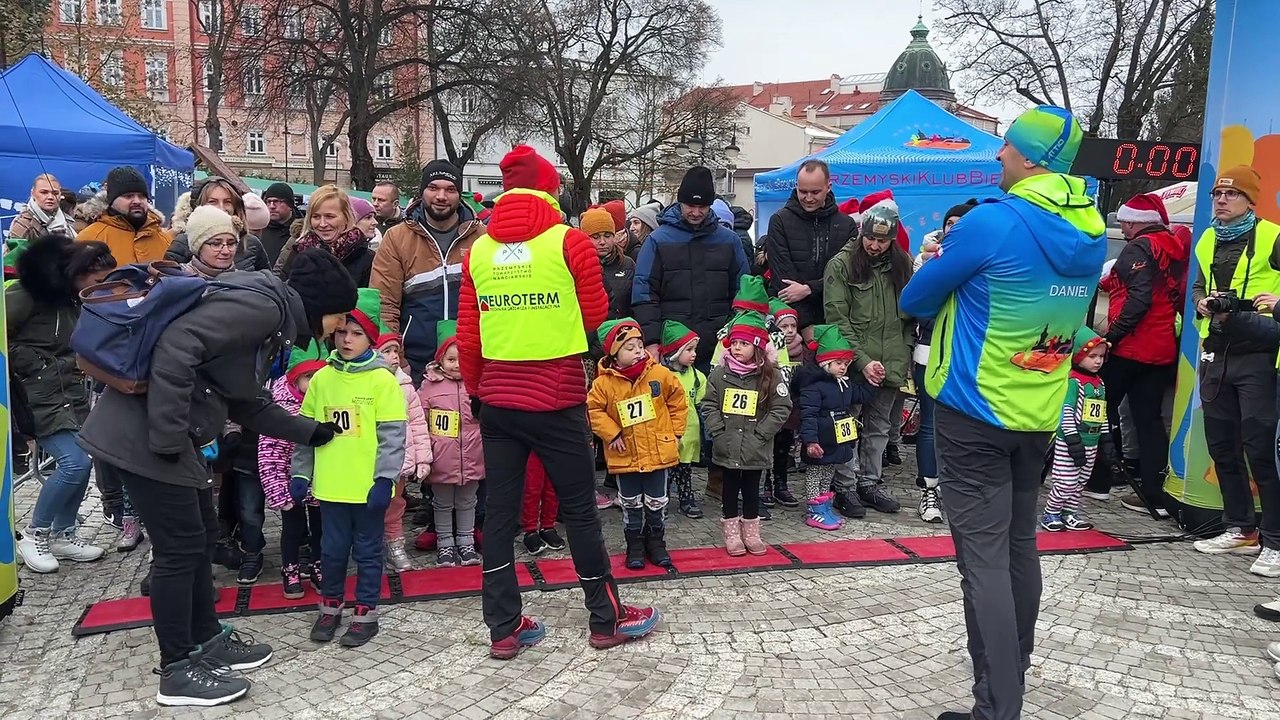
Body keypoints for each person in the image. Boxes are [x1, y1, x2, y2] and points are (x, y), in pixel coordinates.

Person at [79, 248, 359, 707]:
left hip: (167, 438)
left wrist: (309, 432)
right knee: (178, 551)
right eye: (340, 315)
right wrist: (170, 440)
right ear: (321, 304)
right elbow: (177, 347)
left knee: (201, 538)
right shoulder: (263, 308)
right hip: (147, 439)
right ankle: (177, 669)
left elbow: (244, 400)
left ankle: (206, 639)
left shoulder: (267, 314)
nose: (340, 327)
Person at [900, 105, 1105, 720]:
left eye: (1007, 146)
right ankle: (1007, 684)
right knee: (1019, 550)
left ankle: (998, 708)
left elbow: (915, 298)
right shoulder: (1092, 226)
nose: (998, 155)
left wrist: (943, 264)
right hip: (1038, 411)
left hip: (974, 409)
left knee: (983, 563)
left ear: (1031, 158)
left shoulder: (993, 221)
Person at [458, 144, 658, 659]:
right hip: (557, 395)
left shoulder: (478, 250)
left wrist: (478, 390)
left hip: (499, 399)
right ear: (550, 189)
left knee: (500, 517)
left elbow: (469, 335)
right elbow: (595, 314)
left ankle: (503, 627)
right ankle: (605, 619)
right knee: (581, 512)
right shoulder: (568, 241)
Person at [291, 301, 407, 648]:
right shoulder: (323, 378)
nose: (346, 339)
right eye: (341, 332)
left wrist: (385, 479)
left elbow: (393, 436)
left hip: (368, 487)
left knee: (368, 552)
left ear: (370, 338)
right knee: (331, 551)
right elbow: (306, 431)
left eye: (356, 333)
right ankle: (330, 607)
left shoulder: (382, 380)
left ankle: (366, 612)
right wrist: (301, 474)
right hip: (332, 486)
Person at [1186, 165, 1280, 563]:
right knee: (1221, 445)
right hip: (1217, 350)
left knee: (1260, 450)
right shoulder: (1208, 237)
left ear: (1250, 200)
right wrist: (1201, 303)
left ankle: (1275, 541)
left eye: (1232, 194)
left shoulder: (1273, 235)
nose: (1221, 200)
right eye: (1217, 194)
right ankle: (1241, 528)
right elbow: (1197, 286)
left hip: (1259, 352)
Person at [10, 235, 116, 572]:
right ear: (78, 273)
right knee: (74, 463)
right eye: (98, 280)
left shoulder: (73, 300)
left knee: (82, 459)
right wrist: (37, 364)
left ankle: (63, 533)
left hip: (66, 393)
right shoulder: (26, 295)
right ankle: (34, 534)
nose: (101, 287)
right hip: (33, 396)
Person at [1091, 192, 1188, 513]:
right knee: (1149, 421)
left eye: (1123, 223)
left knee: (1098, 409)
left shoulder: (1138, 247)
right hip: (1161, 347)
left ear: (1134, 223)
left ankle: (1098, 483)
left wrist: (1111, 337)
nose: (1122, 228)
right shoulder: (1173, 246)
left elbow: (1139, 298)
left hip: (1131, 346)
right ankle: (1154, 496)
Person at [823, 204, 913, 517]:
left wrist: (902, 355)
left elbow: (909, 318)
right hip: (853, 363)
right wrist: (863, 362)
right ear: (862, 233)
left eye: (882, 241)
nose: (875, 245)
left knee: (879, 428)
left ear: (892, 240)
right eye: (870, 238)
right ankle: (844, 486)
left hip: (890, 362)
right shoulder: (841, 265)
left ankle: (869, 483)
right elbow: (837, 318)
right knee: (846, 425)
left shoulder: (903, 265)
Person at [587, 318, 688, 569]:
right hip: (625, 453)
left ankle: (656, 542)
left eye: (640, 346)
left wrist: (676, 433)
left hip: (657, 451)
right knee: (630, 502)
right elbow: (593, 410)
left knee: (657, 501)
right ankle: (634, 544)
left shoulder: (660, 374)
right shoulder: (603, 383)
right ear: (614, 353)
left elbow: (678, 402)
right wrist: (612, 434)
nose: (637, 351)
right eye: (629, 348)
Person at [371, 160, 486, 377]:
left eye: (450, 189)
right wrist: (396, 356)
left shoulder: (482, 237)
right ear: (422, 191)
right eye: (433, 188)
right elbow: (384, 303)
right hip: (415, 362)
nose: (441, 196)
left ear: (459, 195)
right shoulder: (397, 238)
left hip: (473, 359)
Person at [632, 166, 750, 371]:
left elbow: (743, 292)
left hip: (720, 345)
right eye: (690, 206)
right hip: (672, 344)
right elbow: (644, 293)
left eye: (702, 206)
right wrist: (651, 340)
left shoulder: (729, 241)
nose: (696, 212)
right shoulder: (657, 240)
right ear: (680, 202)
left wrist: (737, 334)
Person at [700, 311, 791, 556]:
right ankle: (731, 532)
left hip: (755, 446)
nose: (737, 348)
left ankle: (752, 532)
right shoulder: (719, 374)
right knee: (729, 488)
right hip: (727, 443)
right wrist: (718, 431)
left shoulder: (771, 375)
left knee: (752, 489)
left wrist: (761, 434)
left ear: (757, 347)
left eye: (743, 343)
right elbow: (708, 404)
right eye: (734, 343)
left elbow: (781, 407)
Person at [912, 201, 977, 523]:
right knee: (931, 423)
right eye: (949, 222)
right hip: (930, 350)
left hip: (970, 354)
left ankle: (960, 490)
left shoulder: (983, 260)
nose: (953, 227)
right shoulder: (930, 260)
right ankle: (930, 490)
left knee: (967, 426)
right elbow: (916, 305)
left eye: (960, 222)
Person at [259, 344, 327, 599]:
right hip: (290, 484)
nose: (315, 382)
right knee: (293, 529)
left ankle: (318, 566)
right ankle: (291, 570)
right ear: (295, 378)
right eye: (309, 377)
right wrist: (278, 491)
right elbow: (269, 454)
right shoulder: (279, 412)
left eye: (320, 376)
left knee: (321, 528)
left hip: (321, 483)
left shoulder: (327, 405)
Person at [795, 324, 875, 531]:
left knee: (828, 473)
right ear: (825, 363)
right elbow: (808, 415)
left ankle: (825, 506)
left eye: (846, 364)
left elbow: (860, 395)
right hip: (820, 440)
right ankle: (814, 509)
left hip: (837, 438)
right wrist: (810, 441)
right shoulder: (813, 387)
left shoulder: (845, 384)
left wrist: (872, 383)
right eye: (838, 363)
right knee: (815, 474)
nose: (843, 367)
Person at [419, 320, 484, 565]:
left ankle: (466, 541)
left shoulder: (477, 385)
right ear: (440, 360)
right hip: (442, 459)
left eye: (462, 359)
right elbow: (421, 420)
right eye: (451, 359)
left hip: (473, 456)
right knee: (442, 502)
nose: (457, 365)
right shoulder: (428, 387)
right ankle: (445, 543)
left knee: (468, 501)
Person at [765, 160, 857, 331]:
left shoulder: (847, 225)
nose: (808, 198)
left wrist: (809, 289)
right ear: (796, 187)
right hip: (792, 324)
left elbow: (847, 274)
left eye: (815, 192)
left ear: (828, 187)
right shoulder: (779, 221)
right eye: (803, 191)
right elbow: (783, 280)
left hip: (836, 320)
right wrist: (806, 326)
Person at [1042, 328, 1116, 532]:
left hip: (1091, 441)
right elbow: (1065, 411)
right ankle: (1051, 512)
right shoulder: (1073, 382)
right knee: (1065, 481)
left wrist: (1106, 438)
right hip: (1070, 441)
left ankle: (1070, 512)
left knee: (1080, 481)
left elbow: (1101, 412)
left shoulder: (1099, 383)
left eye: (1101, 356)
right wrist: (1072, 439)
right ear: (1078, 356)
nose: (1098, 361)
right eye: (1092, 356)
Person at [375, 331, 433, 572]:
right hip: (371, 460)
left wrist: (423, 459)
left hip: (399, 460)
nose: (394, 357)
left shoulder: (406, 387)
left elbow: (418, 424)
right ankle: (370, 546)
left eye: (396, 351)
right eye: (386, 351)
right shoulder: (368, 383)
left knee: (395, 504)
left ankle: (395, 545)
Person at [274, 185, 374, 286]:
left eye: (330, 217)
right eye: (316, 217)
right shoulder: (299, 250)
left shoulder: (366, 258)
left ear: (346, 217)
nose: (322, 224)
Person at [165, 179, 270, 272]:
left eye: (227, 202)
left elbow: (268, 282)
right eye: (212, 202)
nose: (221, 208)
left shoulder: (251, 243)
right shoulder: (183, 242)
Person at [77, 165, 170, 266]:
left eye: (142, 196)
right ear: (112, 201)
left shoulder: (165, 239)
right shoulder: (90, 239)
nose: (137, 201)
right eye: (128, 196)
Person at [659, 320, 705, 519]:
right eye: (689, 350)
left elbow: (703, 402)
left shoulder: (697, 377)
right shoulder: (661, 376)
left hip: (689, 432)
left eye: (694, 349)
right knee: (666, 471)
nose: (694, 354)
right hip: (667, 432)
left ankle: (686, 498)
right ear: (675, 352)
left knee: (685, 469)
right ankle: (661, 501)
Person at [764, 299, 803, 509]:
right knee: (767, 446)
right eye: (784, 326)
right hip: (770, 401)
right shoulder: (769, 345)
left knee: (783, 446)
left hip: (791, 404)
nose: (789, 330)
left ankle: (781, 483)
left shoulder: (802, 349)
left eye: (793, 326)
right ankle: (766, 484)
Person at [582, 206, 634, 319]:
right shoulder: (578, 267)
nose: (602, 242)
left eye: (607, 236)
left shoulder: (627, 264)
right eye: (595, 237)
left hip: (622, 326)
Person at [8, 174, 74, 248]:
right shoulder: (23, 225)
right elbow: (12, 254)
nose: (50, 197)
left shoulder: (66, 220)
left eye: (55, 193)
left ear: (60, 195)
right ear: (33, 193)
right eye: (44, 192)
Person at [259, 182, 298, 265]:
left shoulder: (301, 232)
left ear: (290, 205)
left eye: (276, 201)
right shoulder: (259, 229)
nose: (272, 206)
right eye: (268, 202)